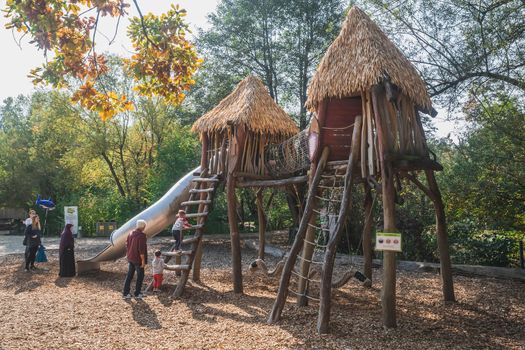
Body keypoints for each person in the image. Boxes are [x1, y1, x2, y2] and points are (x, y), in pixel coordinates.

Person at [123, 219, 148, 299]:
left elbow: (126, 244)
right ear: (143, 227)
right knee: (140, 276)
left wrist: (129, 253)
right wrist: (143, 261)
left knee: (129, 275)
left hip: (131, 258)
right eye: (145, 226)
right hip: (138, 259)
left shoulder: (130, 233)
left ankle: (125, 293)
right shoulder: (142, 235)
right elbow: (141, 250)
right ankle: (137, 293)